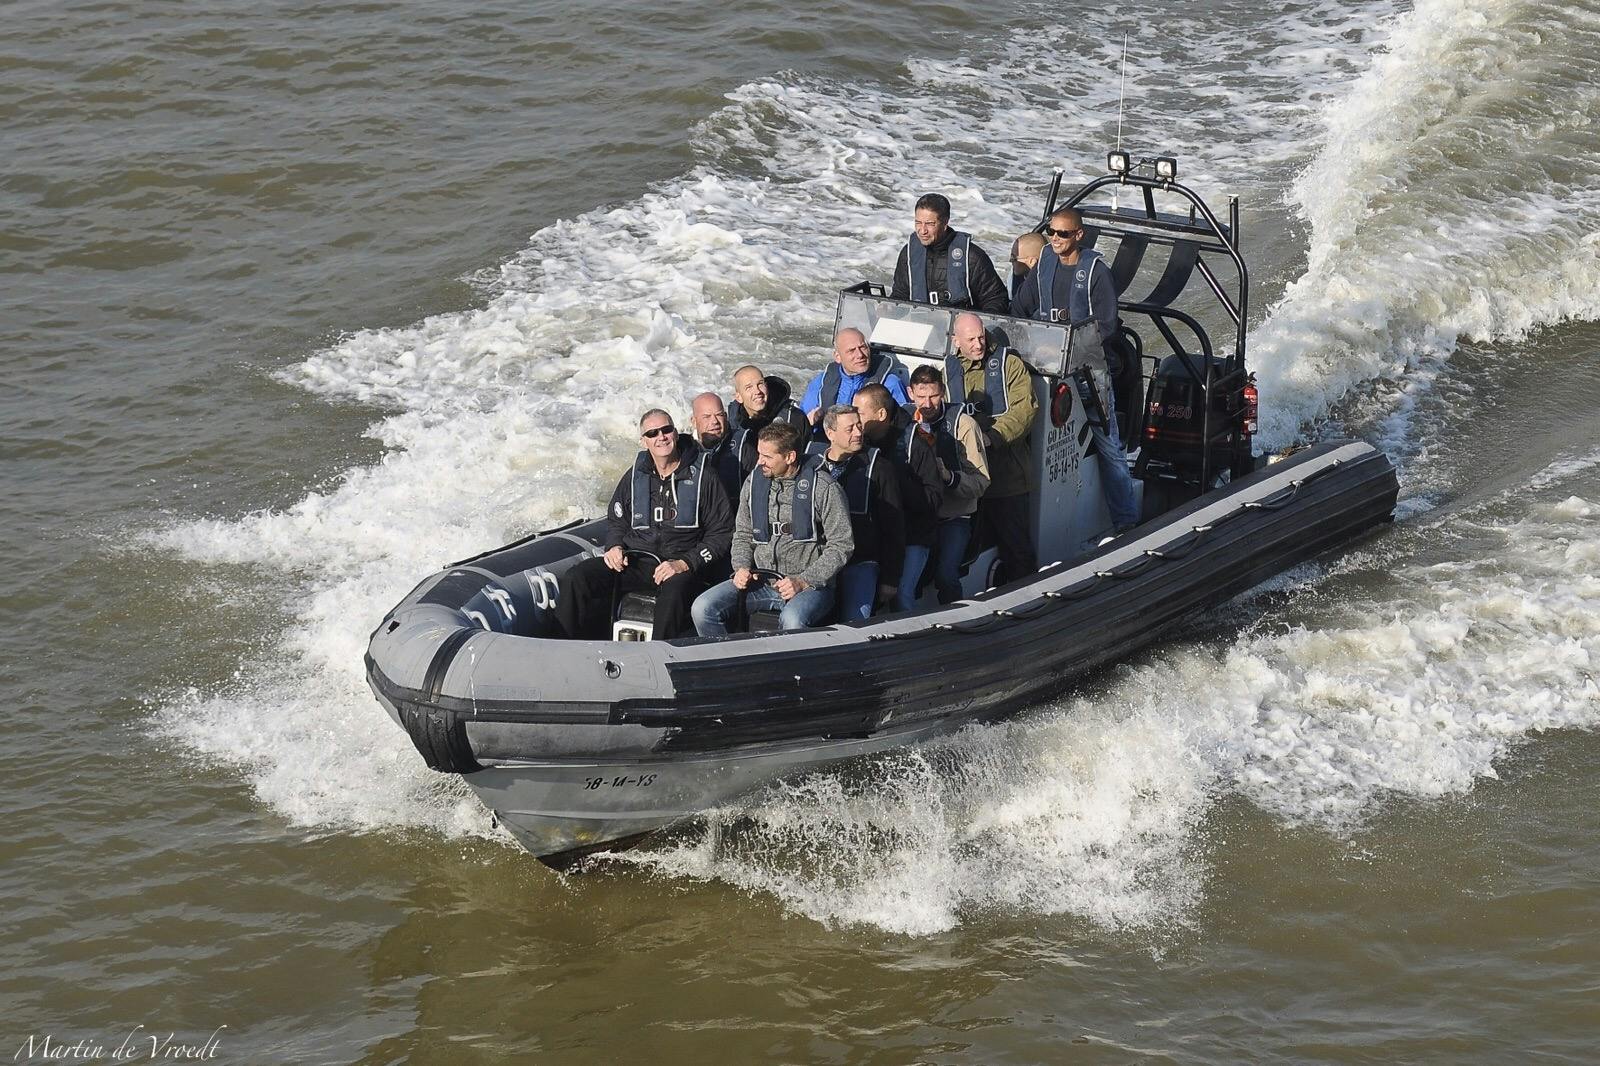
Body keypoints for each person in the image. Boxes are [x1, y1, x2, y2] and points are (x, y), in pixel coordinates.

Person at [1012, 209, 1140, 532]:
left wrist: (1070, 347)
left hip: (1087, 372)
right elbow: (1020, 308)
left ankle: (1126, 521)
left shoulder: (1096, 272)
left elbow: (1107, 326)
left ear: (1079, 235)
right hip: (1044, 368)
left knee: (1109, 446)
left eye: (1063, 234)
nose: (1055, 239)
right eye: (1051, 232)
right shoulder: (1043, 264)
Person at [555, 409, 734, 641]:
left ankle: (657, 656)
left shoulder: (704, 477)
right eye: (652, 433)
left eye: (666, 430)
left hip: (682, 566)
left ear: (675, 433)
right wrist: (614, 546)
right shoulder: (635, 475)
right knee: (577, 577)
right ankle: (563, 645)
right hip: (637, 562)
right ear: (644, 441)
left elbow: (722, 534)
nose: (661, 437)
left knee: (673, 593)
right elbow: (617, 519)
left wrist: (685, 563)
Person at [691, 422, 853, 635]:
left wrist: (803, 581)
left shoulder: (824, 488)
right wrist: (741, 567)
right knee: (702, 608)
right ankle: (725, 654)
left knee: (792, 620)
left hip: (811, 587)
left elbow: (842, 545)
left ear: (790, 457)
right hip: (762, 582)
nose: (760, 461)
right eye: (760, 454)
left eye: (767, 456)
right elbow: (743, 533)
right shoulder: (753, 482)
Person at [947, 311, 1039, 582]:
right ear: (956, 341)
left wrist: (991, 437)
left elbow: (1025, 410)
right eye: (971, 340)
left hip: (1007, 476)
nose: (978, 344)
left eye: (981, 337)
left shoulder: (1009, 365)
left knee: (1016, 549)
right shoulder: (949, 369)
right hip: (968, 476)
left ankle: (1026, 594)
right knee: (964, 549)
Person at [901, 364, 989, 607]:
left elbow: (982, 482)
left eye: (934, 396)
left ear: (943, 392)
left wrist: (949, 477)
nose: (927, 404)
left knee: (946, 575)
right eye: (921, 397)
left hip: (955, 516)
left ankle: (956, 618)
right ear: (910, 393)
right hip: (918, 515)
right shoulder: (903, 422)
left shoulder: (965, 425)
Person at [814, 404, 904, 620]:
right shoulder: (812, 466)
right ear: (830, 434)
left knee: (856, 621)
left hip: (861, 561)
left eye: (859, 426)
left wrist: (890, 579)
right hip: (818, 562)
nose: (857, 433)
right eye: (849, 429)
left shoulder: (879, 468)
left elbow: (894, 527)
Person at [854, 383, 943, 599]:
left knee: (902, 595)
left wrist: (894, 480)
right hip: (879, 533)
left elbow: (934, 498)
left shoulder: (916, 445)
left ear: (881, 414)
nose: (855, 419)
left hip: (914, 533)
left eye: (860, 413)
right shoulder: (859, 442)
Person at [889, 193, 1010, 314]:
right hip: (919, 322)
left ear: (945, 223)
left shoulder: (972, 257)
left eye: (930, 224)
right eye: (918, 223)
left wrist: (975, 322)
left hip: (961, 324)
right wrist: (888, 310)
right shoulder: (909, 254)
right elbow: (900, 296)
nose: (922, 230)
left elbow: (996, 299)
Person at [800, 328, 909, 424]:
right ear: (838, 357)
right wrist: (811, 422)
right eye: (851, 351)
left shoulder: (890, 384)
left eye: (863, 347)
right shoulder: (820, 383)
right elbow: (803, 421)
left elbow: (902, 424)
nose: (860, 355)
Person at [728, 364, 808, 474]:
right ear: (739, 397)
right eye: (749, 387)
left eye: (760, 384)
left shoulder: (793, 419)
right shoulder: (734, 421)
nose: (757, 391)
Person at [690, 391, 742, 500]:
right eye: (706, 417)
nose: (714, 421)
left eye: (719, 415)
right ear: (694, 422)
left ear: (726, 417)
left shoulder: (742, 447)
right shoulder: (685, 452)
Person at [1009, 231, 1045, 297]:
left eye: (1014, 258)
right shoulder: (1016, 277)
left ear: (1032, 262)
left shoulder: (1042, 289)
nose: (1010, 261)